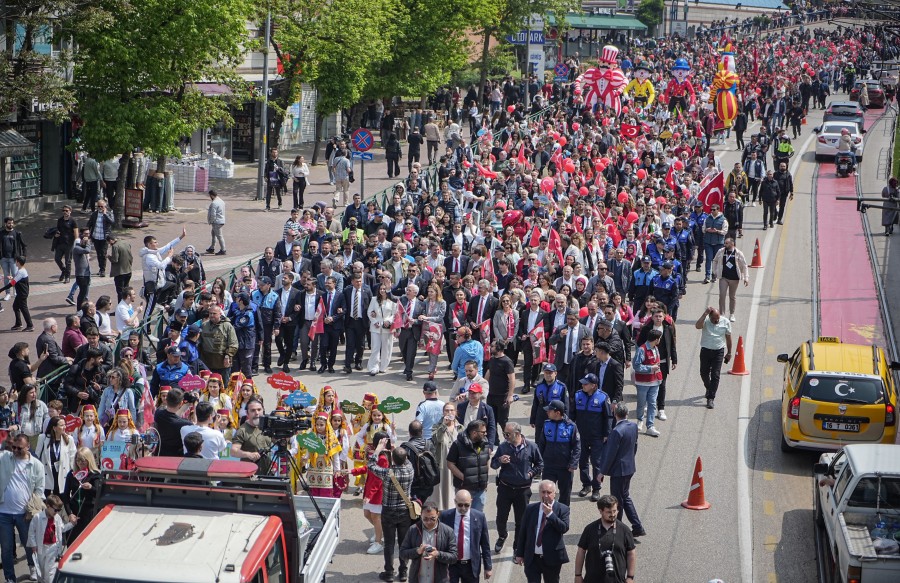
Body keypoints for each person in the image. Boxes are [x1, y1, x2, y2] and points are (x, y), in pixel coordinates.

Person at [366, 435, 415, 583]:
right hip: (405, 511)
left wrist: (378, 450)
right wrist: (395, 451)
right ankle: (403, 572)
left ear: (392, 459)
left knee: (389, 543)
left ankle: (389, 572)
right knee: (403, 543)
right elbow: (405, 460)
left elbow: (371, 465)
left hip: (388, 511)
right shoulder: (410, 469)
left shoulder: (387, 473)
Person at [490, 421, 542, 555]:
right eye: (504, 434)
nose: (505, 436)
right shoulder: (503, 447)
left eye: (507, 434)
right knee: (501, 518)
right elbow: (493, 464)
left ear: (517, 434)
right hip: (505, 488)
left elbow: (540, 464)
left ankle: (517, 547)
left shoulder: (531, 446)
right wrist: (500, 460)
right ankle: (502, 536)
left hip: (523, 491)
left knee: (521, 521)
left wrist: (531, 473)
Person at [0, 432, 43, 583]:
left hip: (25, 513)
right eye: (14, 447)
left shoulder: (36, 465)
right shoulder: (5, 458)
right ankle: (9, 578)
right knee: (6, 548)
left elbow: (39, 490)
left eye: (20, 448)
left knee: (29, 544)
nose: (16, 451)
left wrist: (33, 510)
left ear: (28, 447)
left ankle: (32, 567)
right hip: (3, 513)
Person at [599, 403, 646, 538]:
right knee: (625, 497)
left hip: (618, 471)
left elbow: (610, 454)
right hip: (629, 467)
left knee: (617, 501)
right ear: (627, 414)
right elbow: (635, 445)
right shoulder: (633, 426)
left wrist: (602, 472)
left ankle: (617, 528)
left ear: (615, 414)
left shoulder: (616, 431)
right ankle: (637, 526)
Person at [513, 480, 570, 583]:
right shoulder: (530, 509)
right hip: (532, 558)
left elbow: (564, 528)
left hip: (552, 558)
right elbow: (523, 532)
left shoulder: (562, 509)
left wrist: (550, 515)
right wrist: (519, 553)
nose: (546, 495)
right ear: (539, 493)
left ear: (554, 493)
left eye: (549, 492)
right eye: (543, 492)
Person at [574, 494, 637, 583]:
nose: (613, 514)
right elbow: (581, 551)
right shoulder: (590, 529)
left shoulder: (625, 530)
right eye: (609, 512)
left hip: (617, 580)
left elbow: (631, 553)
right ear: (601, 511)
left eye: (615, 511)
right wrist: (578, 575)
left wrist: (630, 577)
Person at [572, 373, 613, 501]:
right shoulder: (578, 395)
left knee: (597, 463)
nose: (583, 385)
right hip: (581, 436)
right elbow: (572, 415)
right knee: (582, 461)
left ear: (593, 385)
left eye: (586, 384)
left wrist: (607, 434)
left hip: (597, 437)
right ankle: (586, 485)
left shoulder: (603, 397)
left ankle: (596, 488)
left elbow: (608, 417)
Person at [439, 489, 492, 583]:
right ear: (455, 502)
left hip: (471, 566)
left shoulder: (480, 517)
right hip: (451, 564)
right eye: (460, 505)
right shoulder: (445, 516)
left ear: (471, 502)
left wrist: (488, 567)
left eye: (467, 505)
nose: (463, 508)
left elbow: (485, 545)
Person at [399, 501, 458, 583]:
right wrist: (417, 551)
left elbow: (454, 557)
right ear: (421, 515)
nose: (429, 522)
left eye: (432, 519)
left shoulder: (447, 531)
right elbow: (402, 553)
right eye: (425, 519)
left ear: (438, 514)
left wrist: (438, 554)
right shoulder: (413, 530)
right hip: (417, 579)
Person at [536, 400, 580, 507]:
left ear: (557, 413)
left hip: (565, 468)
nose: (547, 412)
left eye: (549, 411)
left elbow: (577, 447)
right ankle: (546, 515)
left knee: (565, 495)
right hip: (548, 466)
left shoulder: (571, 426)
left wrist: (573, 463)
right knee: (546, 494)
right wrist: (539, 462)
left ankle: (563, 516)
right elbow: (541, 445)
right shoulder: (546, 424)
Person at [26, 493, 73, 583]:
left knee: (50, 573)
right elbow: (31, 532)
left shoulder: (57, 518)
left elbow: (62, 528)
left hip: (53, 548)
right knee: (41, 572)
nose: (57, 512)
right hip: (41, 548)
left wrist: (72, 524)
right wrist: (33, 545)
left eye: (59, 510)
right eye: (55, 510)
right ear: (48, 506)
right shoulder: (38, 517)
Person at [446, 420, 491, 513]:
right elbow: (450, 463)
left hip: (480, 490)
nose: (485, 434)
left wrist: (486, 480)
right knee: (463, 516)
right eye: (483, 432)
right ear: (474, 433)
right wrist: (464, 477)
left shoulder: (485, 444)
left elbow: (486, 461)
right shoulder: (458, 445)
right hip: (464, 489)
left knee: (477, 517)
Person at [60, 447, 102, 542]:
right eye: (78, 460)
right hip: (74, 513)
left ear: (89, 460)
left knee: (87, 541)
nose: (80, 463)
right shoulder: (71, 474)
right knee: (72, 541)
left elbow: (98, 493)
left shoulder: (95, 474)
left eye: (83, 460)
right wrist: (70, 514)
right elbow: (65, 495)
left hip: (89, 514)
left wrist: (91, 487)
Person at [696, 307, 732, 409]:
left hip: (718, 351)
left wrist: (729, 353)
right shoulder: (706, 321)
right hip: (705, 350)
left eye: (718, 318)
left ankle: (711, 398)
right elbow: (697, 326)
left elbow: (728, 338)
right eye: (714, 319)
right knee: (704, 373)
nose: (716, 320)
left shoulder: (725, 322)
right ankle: (709, 388)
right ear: (709, 317)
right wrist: (704, 314)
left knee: (715, 375)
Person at [231, 397, 274, 475]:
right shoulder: (242, 430)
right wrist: (249, 455)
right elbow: (233, 451)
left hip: (268, 474)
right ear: (247, 413)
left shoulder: (268, 427)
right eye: (253, 410)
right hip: (250, 475)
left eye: (259, 409)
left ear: (263, 411)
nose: (257, 413)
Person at [484, 341, 515, 447]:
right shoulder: (492, 360)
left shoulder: (507, 362)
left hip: (503, 397)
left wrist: (510, 395)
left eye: (492, 346)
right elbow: (488, 374)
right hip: (491, 395)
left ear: (499, 348)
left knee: (503, 421)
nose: (490, 348)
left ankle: (510, 442)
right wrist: (483, 387)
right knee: (491, 420)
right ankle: (495, 442)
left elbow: (512, 379)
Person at [712, 238, 749, 322]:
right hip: (724, 278)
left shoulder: (738, 253)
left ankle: (732, 314)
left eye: (727, 243)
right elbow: (715, 261)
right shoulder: (721, 251)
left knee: (732, 296)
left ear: (732, 244)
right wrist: (715, 271)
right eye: (725, 243)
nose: (725, 245)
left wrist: (746, 278)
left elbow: (744, 266)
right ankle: (722, 314)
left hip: (734, 279)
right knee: (722, 295)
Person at [342, 274, 372, 374]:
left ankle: (358, 362)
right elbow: (344, 303)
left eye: (360, 281)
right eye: (356, 281)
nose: (359, 283)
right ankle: (347, 365)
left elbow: (371, 303)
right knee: (350, 344)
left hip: (361, 321)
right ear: (352, 282)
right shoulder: (347, 290)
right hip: (350, 321)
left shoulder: (366, 290)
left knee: (360, 344)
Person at [154, 388, 194, 457]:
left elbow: (172, 416)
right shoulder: (186, 424)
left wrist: (186, 405)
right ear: (181, 403)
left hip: (160, 455)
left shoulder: (158, 414)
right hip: (176, 459)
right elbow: (175, 418)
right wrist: (194, 405)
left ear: (167, 400)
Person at [367, 284, 397, 375]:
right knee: (375, 348)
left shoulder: (392, 301)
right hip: (375, 327)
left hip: (387, 327)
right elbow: (369, 312)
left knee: (386, 348)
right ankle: (373, 367)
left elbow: (394, 314)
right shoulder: (374, 299)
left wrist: (389, 321)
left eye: (384, 289)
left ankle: (383, 366)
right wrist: (374, 321)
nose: (382, 290)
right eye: (381, 289)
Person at [53, 206, 78, 283]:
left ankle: (67, 277)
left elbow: (76, 232)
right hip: (60, 243)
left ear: (70, 211)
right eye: (63, 210)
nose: (65, 212)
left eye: (66, 211)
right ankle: (63, 270)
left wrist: (76, 243)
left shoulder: (73, 221)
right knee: (57, 258)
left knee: (68, 261)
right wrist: (56, 234)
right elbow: (58, 229)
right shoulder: (60, 220)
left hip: (69, 244)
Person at [205, 189, 226, 256]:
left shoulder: (214, 203)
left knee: (219, 236)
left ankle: (223, 250)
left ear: (211, 195)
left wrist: (211, 221)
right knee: (213, 234)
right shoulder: (221, 201)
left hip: (216, 222)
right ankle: (212, 248)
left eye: (210, 196)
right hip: (221, 220)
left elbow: (213, 214)